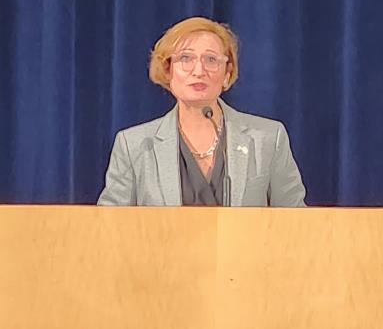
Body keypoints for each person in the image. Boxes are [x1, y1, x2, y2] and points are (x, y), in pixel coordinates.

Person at [97, 16, 306, 206]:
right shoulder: (133, 145)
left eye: (211, 60)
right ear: (168, 70)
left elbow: (296, 223)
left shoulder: (267, 139)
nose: (198, 71)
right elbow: (110, 228)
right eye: (186, 59)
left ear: (227, 74)